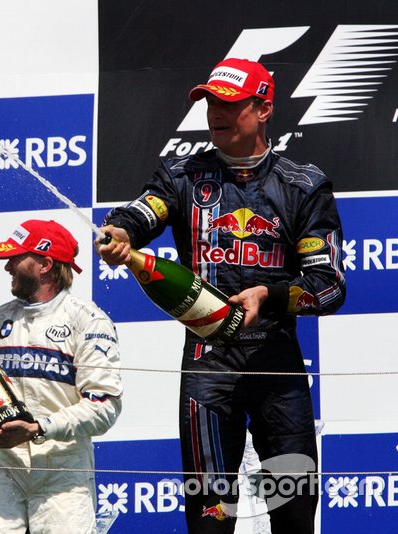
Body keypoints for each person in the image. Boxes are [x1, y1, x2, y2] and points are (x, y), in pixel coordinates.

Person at [96, 58, 346, 533]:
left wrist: (269, 296)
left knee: (294, 516)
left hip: (277, 367)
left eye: (230, 103)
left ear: (264, 108)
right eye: (210, 102)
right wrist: (122, 231)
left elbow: (329, 285)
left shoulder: (303, 185)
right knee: (210, 518)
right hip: (208, 369)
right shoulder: (182, 175)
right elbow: (144, 211)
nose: (217, 113)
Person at [0, 219, 123, 533]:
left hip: (63, 469)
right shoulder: (0, 318)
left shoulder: (88, 320)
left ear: (45, 265)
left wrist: (37, 429)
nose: (8, 265)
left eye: (16, 257)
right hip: (7, 465)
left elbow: (103, 407)